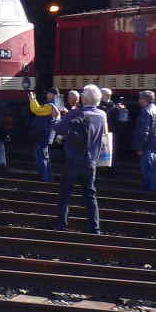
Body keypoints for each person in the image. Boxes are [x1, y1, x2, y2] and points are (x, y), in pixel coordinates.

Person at [57, 83, 107, 234]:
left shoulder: (76, 113)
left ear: (83, 98)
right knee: (90, 195)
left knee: (65, 194)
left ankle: (61, 225)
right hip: (91, 161)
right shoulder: (102, 115)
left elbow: (59, 128)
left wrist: (56, 118)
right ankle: (95, 228)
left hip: (73, 159)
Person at [133, 90, 156, 192]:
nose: (139, 101)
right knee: (152, 167)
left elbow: (144, 131)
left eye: (140, 98)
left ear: (144, 99)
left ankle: (151, 191)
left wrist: (140, 147)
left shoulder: (145, 111)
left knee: (147, 168)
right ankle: (153, 188)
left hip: (148, 145)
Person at [28, 99, 60, 182]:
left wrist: (33, 99)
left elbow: (36, 110)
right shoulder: (58, 103)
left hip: (44, 136)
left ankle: (45, 179)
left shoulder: (50, 105)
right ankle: (48, 178)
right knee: (45, 157)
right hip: (47, 136)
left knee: (41, 157)